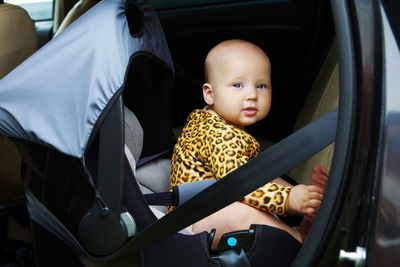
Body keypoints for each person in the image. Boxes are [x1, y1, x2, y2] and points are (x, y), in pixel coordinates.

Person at [168, 39, 328, 248]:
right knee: (238, 212)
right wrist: (286, 200)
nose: (252, 95)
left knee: (262, 172)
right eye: (237, 85)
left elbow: (249, 176)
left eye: (261, 85)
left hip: (213, 201)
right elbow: (239, 185)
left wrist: (294, 196)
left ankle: (310, 204)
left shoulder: (213, 119)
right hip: (190, 222)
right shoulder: (216, 136)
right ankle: (298, 239)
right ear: (209, 93)